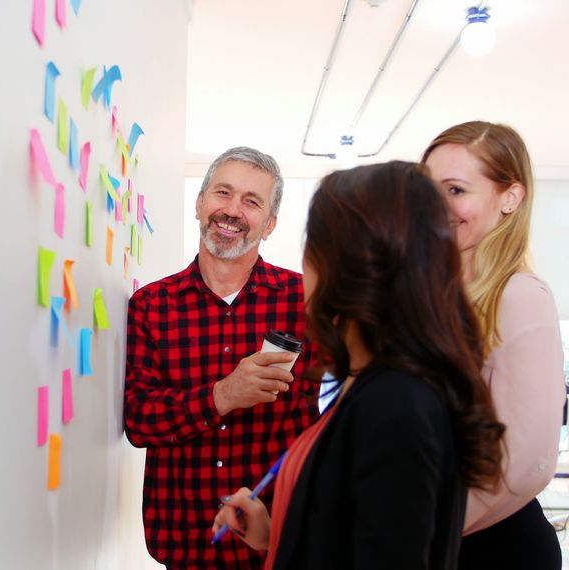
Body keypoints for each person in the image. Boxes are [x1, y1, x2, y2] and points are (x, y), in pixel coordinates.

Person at [212, 161, 505, 569]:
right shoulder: (375, 386)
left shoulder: (397, 405)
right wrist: (273, 536)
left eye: (312, 250)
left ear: (347, 266)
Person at [123, 146, 319, 569]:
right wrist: (223, 395)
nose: (232, 210)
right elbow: (139, 420)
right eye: (222, 193)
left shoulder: (308, 302)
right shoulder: (151, 305)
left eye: (252, 202)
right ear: (199, 204)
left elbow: (334, 420)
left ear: (269, 225)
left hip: (281, 543)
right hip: (185, 541)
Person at [422, 121, 566, 569]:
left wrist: (414, 528)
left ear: (510, 198)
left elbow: (525, 462)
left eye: (456, 189)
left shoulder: (520, 297)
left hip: (494, 550)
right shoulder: (432, 297)